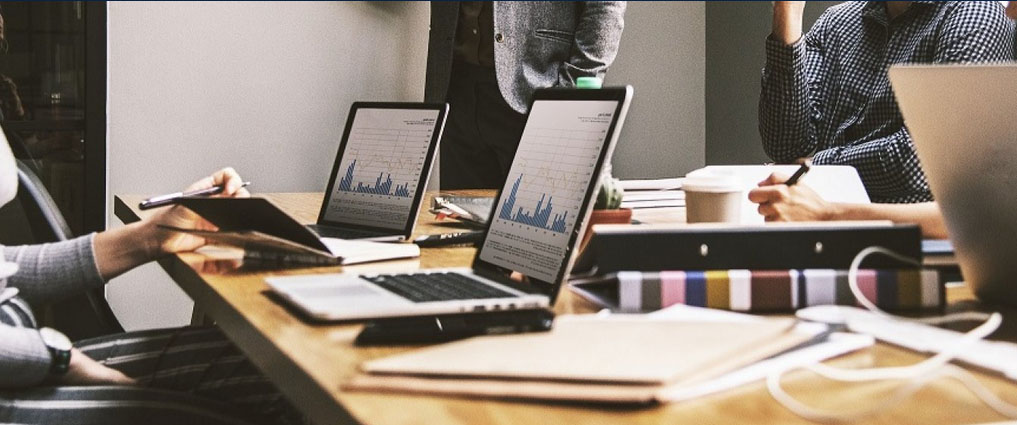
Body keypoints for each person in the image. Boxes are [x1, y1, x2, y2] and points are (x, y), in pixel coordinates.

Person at [0, 136, 301, 424]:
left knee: (280, 370)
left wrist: (153, 235)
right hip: (18, 371)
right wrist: (62, 362)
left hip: (20, 361)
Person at [750, 1, 1015, 238]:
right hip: (817, 229)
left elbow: (921, 162)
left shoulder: (975, 14)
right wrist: (787, 12)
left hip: (912, 243)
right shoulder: (836, 22)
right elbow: (784, 145)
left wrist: (813, 165)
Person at [426, 1, 626, 189]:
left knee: (538, 219)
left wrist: (572, 89)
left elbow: (605, 6)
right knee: (457, 221)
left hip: (539, 91)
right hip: (456, 90)